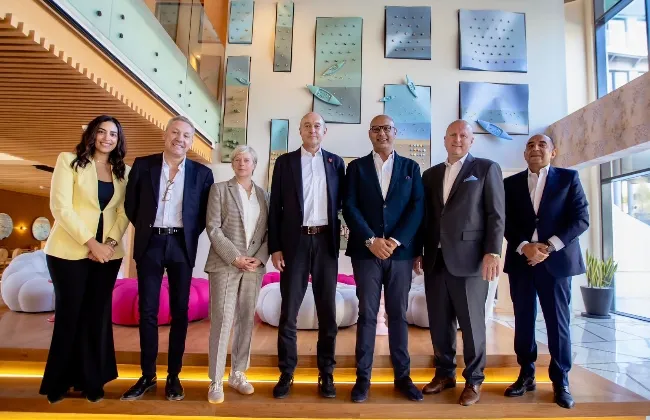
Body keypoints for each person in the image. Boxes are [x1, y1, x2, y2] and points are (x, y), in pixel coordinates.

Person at [121, 116, 214, 402]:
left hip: (181, 245)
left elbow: (203, 214)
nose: (180, 139)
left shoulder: (202, 173)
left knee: (180, 311)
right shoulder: (143, 165)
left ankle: (174, 376)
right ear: (165, 134)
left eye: (186, 135)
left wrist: (184, 234)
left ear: (191, 141)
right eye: (175, 132)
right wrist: (148, 229)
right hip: (150, 243)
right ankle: (147, 375)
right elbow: (131, 204)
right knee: (147, 311)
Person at [40, 115, 130, 404]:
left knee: (97, 317)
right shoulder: (68, 161)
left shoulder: (124, 171)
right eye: (101, 132)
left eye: (113, 134)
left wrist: (108, 245)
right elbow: (61, 207)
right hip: (68, 252)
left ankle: (92, 381)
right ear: (92, 134)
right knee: (69, 315)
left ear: (119, 140)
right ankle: (58, 382)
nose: (107, 138)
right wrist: (91, 243)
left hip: (108, 255)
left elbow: (124, 212)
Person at [415, 119, 505, 406]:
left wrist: (493, 251)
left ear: (471, 140)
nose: (457, 139)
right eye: (452, 135)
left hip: (470, 260)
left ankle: (474, 379)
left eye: (463, 135)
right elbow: (424, 218)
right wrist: (418, 250)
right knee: (439, 322)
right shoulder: (430, 175)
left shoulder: (486, 169)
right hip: (435, 259)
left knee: (471, 324)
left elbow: (495, 214)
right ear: (444, 139)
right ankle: (444, 374)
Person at [503, 134, 589, 409]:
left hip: (556, 264)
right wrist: (525, 247)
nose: (535, 149)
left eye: (542, 145)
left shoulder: (568, 179)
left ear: (553, 152)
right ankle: (526, 374)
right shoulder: (510, 184)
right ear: (524, 154)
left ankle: (560, 380)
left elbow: (581, 219)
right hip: (522, 262)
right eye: (530, 145)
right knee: (523, 321)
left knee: (558, 323)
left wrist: (548, 247)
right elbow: (504, 222)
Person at [343, 115, 424, 403]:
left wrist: (396, 240)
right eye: (376, 129)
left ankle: (403, 377)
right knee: (366, 315)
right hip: (366, 253)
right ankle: (362, 379)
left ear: (395, 132)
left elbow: (417, 208)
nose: (382, 134)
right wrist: (371, 240)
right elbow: (349, 206)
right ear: (370, 134)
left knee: (398, 314)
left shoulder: (411, 167)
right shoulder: (356, 168)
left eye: (387, 128)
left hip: (400, 254)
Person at [268, 112, 345, 399]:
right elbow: (275, 207)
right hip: (294, 243)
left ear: (325, 131)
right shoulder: (285, 163)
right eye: (307, 126)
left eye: (317, 126)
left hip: (326, 242)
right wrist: (275, 247)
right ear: (300, 131)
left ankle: (327, 372)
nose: (313, 130)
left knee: (328, 311)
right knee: (289, 311)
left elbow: (344, 204)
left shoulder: (336, 163)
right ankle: (287, 372)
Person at [204, 145, 269, 404]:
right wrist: (234, 257)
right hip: (225, 265)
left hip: (253, 268)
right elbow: (213, 228)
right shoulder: (219, 190)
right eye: (237, 159)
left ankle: (238, 373)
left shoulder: (264, 196)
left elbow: (269, 232)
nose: (242, 163)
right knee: (222, 320)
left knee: (245, 320)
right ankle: (216, 379)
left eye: (246, 160)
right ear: (232, 164)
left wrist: (260, 258)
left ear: (254, 164)